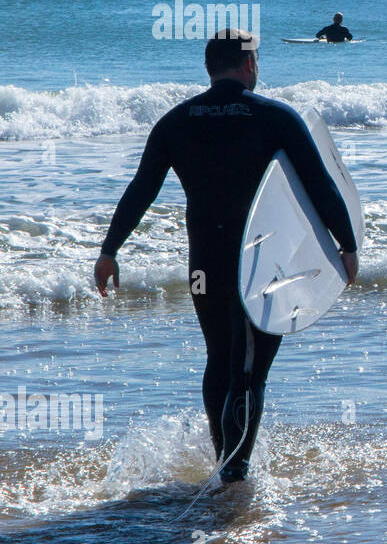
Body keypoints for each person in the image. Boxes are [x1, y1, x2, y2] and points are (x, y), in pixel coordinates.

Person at [94, 30, 359, 484]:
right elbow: (320, 184)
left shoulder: (175, 121)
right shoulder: (275, 117)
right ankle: (235, 472)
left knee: (221, 356)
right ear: (250, 65)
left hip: (203, 264)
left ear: (209, 67)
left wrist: (109, 250)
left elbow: (141, 190)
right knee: (251, 368)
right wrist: (347, 244)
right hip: (262, 261)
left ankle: (227, 461)